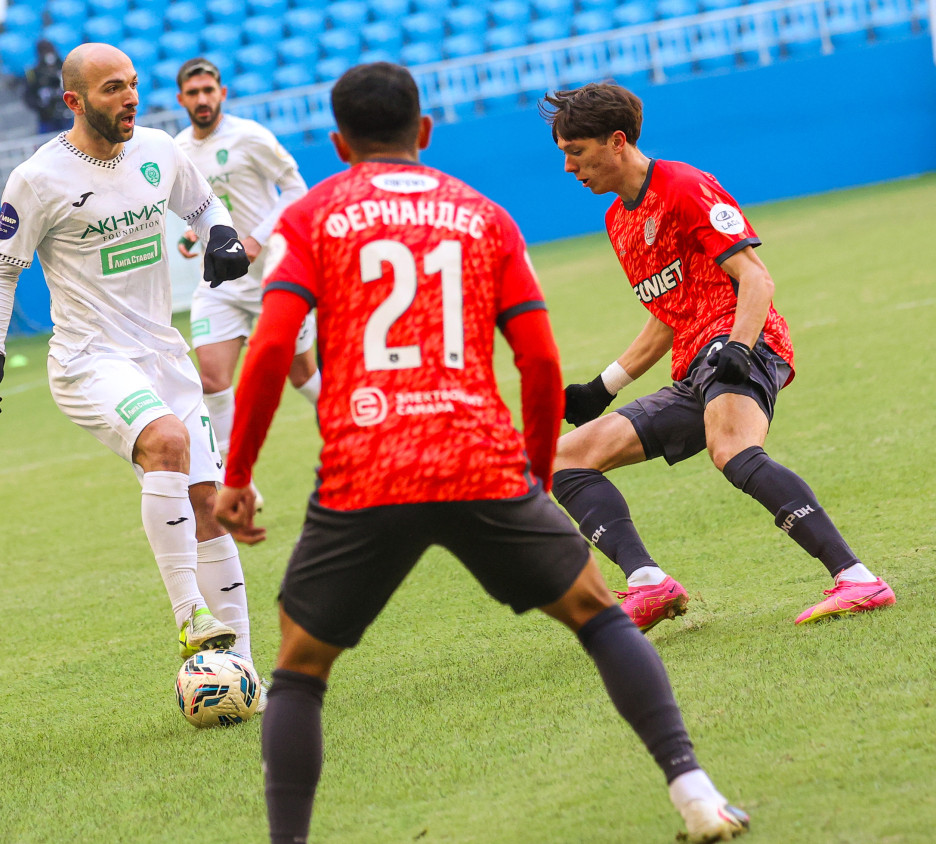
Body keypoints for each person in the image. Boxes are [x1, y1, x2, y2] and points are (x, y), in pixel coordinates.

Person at [213, 63, 749, 844]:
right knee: (600, 619)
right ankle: (697, 795)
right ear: (425, 132)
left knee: (298, 671)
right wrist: (531, 472)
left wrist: (236, 476)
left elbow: (268, 351)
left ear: (338, 143)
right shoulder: (483, 215)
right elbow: (537, 358)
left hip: (368, 468)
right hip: (479, 461)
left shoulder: (311, 216)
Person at [539, 83, 894, 628]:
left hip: (742, 343)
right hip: (695, 366)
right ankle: (649, 585)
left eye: (576, 151)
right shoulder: (619, 221)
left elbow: (755, 278)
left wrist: (738, 349)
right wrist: (603, 386)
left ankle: (859, 580)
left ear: (617, 142)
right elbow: (668, 315)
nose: (568, 167)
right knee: (565, 459)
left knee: (731, 448)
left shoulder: (685, 186)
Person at [0, 43, 258, 666]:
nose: (130, 98)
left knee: (208, 506)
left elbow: (204, 204)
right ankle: (189, 615)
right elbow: (0, 271)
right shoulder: (38, 179)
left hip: (163, 353)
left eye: (132, 84)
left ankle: (243, 673)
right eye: (112, 89)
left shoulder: (159, 150)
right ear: (74, 101)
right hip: (89, 359)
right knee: (167, 441)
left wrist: (223, 237)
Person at [172, 57, 317, 505]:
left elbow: (297, 190)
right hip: (221, 284)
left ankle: (354, 443)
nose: (202, 99)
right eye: (193, 93)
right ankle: (239, 482)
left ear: (222, 94)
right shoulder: (178, 149)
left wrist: (256, 239)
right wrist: (193, 234)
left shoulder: (250, 136)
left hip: (273, 277)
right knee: (213, 381)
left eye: (208, 91)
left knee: (303, 376)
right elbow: (200, 206)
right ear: (181, 99)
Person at [22, 39, 74, 134]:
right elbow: (28, 96)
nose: (48, 54)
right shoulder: (33, 73)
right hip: (46, 118)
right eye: (44, 51)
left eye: (50, 50)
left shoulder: (65, 67)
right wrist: (41, 107)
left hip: (68, 115)